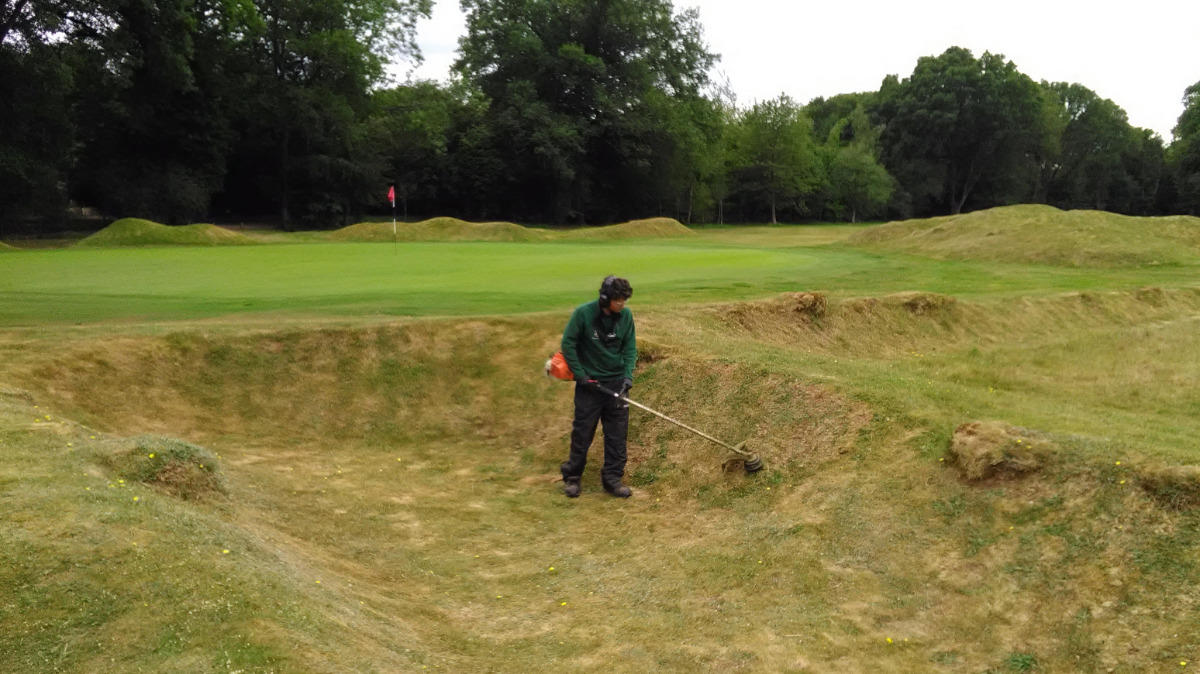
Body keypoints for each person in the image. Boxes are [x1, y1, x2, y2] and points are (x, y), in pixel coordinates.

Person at [559, 275, 637, 498]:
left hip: (616, 384)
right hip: (590, 386)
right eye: (618, 300)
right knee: (582, 434)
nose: (622, 304)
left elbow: (630, 348)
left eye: (624, 300)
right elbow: (569, 344)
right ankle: (573, 477)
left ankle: (612, 479)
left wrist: (627, 377)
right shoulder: (583, 314)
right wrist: (581, 375)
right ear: (605, 298)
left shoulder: (626, 316)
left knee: (617, 436)